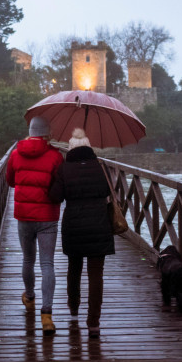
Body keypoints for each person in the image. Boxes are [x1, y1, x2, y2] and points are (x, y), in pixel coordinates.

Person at [48, 128, 113, 338]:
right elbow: (108, 192)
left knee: (74, 268)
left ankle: (73, 306)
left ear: (71, 148)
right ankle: (93, 322)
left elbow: (56, 196)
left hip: (73, 223)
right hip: (99, 223)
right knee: (96, 274)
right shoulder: (101, 167)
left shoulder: (64, 168)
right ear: (89, 147)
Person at [5, 116, 64, 336]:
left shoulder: (15, 154)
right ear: (47, 133)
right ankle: (47, 315)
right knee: (47, 263)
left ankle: (29, 296)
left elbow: (10, 181)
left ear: (30, 132)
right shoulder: (55, 156)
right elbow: (59, 183)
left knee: (28, 259)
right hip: (48, 216)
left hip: (24, 216)